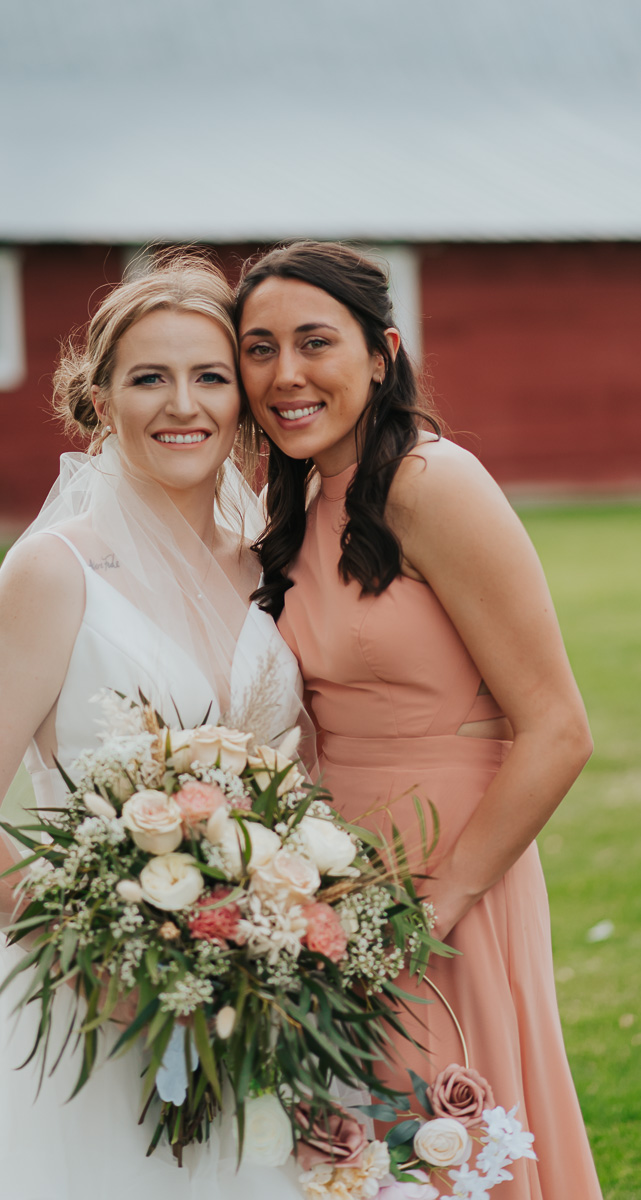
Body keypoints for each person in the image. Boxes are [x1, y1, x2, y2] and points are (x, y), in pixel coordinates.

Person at [0, 259, 309, 1200]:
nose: (182, 404)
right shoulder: (54, 570)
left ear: (242, 400)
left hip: (255, 991)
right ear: (100, 400)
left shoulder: (274, 563)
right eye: (149, 377)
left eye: (209, 376)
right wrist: (113, 971)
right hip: (89, 1007)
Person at [235, 240, 603, 1200]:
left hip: (449, 870)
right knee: (358, 1153)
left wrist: (437, 906)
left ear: (381, 354)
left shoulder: (433, 483)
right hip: (335, 871)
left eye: (315, 342)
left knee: (448, 1141)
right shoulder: (296, 502)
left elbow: (558, 728)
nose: (285, 374)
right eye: (259, 348)